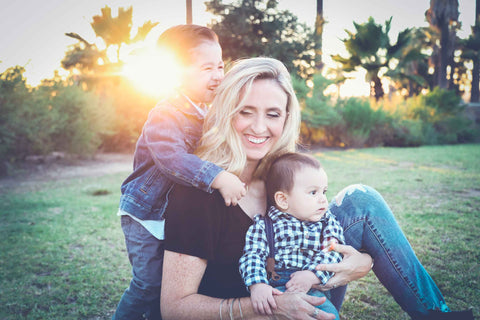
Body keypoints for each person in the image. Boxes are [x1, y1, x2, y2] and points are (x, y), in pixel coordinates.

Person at [161, 56, 473, 320]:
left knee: (360, 200)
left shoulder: (280, 173)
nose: (259, 127)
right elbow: (174, 307)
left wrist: (360, 263)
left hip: (308, 293)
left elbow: (325, 231)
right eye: (246, 111)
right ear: (227, 112)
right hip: (262, 310)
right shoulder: (198, 192)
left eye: (272, 114)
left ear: (286, 118)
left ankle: (436, 313)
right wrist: (269, 307)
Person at [112, 24, 247, 320]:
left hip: (172, 214)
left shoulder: (206, 112)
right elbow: (171, 158)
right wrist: (216, 176)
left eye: (220, 65)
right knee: (147, 284)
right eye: (207, 68)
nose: (218, 75)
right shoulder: (166, 113)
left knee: (169, 288)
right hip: (146, 215)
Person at [239, 152, 344, 319]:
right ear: (282, 199)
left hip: (312, 289)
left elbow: (333, 251)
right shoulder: (265, 225)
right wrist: (257, 284)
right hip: (275, 291)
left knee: (327, 316)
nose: (323, 200)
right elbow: (253, 255)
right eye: (313, 193)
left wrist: (312, 275)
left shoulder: (327, 223)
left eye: (324, 191)